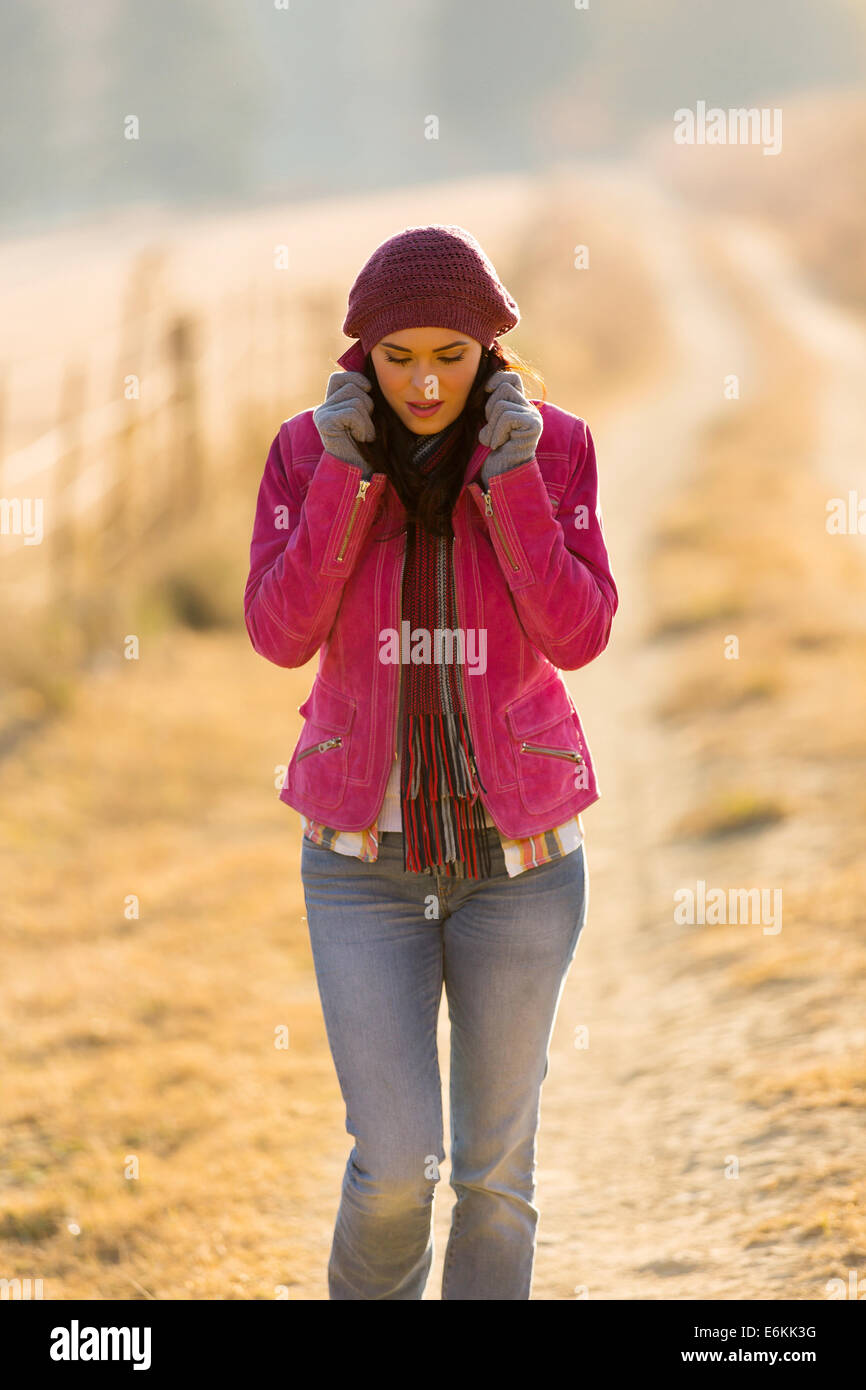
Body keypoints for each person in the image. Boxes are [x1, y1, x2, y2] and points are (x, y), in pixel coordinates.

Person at [243, 223, 618, 1299]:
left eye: (448, 357)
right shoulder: (304, 451)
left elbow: (578, 633)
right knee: (397, 1168)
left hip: (524, 867)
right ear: (361, 353)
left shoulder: (553, 448)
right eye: (397, 357)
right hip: (362, 869)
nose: (422, 382)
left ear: (489, 350)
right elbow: (279, 631)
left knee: (495, 1178)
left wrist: (513, 486)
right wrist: (342, 480)